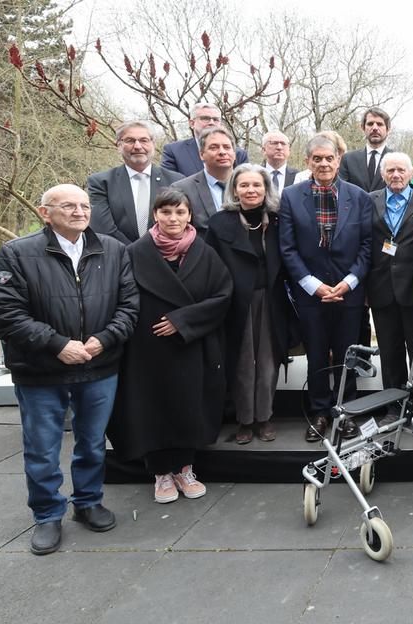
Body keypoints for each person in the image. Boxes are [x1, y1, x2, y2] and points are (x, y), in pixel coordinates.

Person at [0, 184, 139, 555]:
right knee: (42, 449)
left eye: (83, 205)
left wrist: (104, 339)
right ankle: (46, 514)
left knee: (92, 443)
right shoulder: (16, 254)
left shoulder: (113, 250)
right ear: (45, 213)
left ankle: (88, 502)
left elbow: (129, 306)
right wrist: (57, 345)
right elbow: (6, 313)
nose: (79, 211)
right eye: (68, 206)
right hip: (41, 371)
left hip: (99, 366)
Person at [108, 189, 232, 503]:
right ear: (155, 215)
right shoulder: (135, 252)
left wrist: (183, 320)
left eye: (180, 212)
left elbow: (222, 295)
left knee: (188, 405)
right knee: (152, 408)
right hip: (147, 347)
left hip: (191, 345)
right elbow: (121, 296)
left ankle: (185, 469)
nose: (173, 219)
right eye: (166, 212)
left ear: (190, 215)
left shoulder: (204, 252)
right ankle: (161, 473)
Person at [280, 134, 372, 442]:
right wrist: (314, 286)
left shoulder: (358, 196)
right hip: (311, 294)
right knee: (317, 354)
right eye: (316, 158)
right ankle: (320, 411)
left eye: (328, 158)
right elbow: (288, 249)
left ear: (338, 160)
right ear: (307, 161)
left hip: (349, 292)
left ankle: (344, 412)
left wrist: (348, 283)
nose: (323, 163)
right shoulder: (291, 197)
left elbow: (367, 246)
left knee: (348, 354)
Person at [205, 165, 294, 444]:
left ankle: (265, 417)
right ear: (234, 189)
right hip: (236, 302)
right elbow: (211, 266)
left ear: (266, 189)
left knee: (268, 362)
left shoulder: (279, 220)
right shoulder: (220, 223)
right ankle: (244, 420)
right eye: (244, 185)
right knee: (242, 362)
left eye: (257, 185)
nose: (251, 190)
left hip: (272, 299)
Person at [367, 152, 413, 421]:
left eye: (401, 170)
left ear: (411, 173)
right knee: (389, 350)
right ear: (383, 174)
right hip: (380, 286)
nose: (396, 175)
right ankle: (393, 406)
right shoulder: (369, 200)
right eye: (391, 170)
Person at [87, 120, 183, 245]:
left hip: (166, 257)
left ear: (153, 144)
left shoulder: (176, 181)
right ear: (119, 145)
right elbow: (103, 228)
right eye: (130, 141)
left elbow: (181, 224)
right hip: (120, 257)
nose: (137, 146)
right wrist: (134, 253)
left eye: (144, 140)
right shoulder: (101, 182)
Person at [171, 127, 238, 232]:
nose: (222, 152)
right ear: (201, 155)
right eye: (214, 147)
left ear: (234, 154)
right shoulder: (182, 189)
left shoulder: (251, 186)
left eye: (226, 147)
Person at [160, 102, 248, 176]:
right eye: (205, 118)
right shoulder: (174, 151)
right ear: (192, 123)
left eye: (215, 119)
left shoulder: (239, 154)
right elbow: (168, 187)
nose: (211, 123)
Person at [339, 107, 392, 193]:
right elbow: (342, 191)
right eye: (370, 124)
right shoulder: (348, 159)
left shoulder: (397, 160)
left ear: (388, 129)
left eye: (379, 124)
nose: (375, 128)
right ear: (363, 128)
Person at [261, 131, 298, 197]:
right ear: (264, 150)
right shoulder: (255, 175)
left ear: (289, 151)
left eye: (283, 144)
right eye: (274, 143)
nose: (279, 147)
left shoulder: (298, 176)